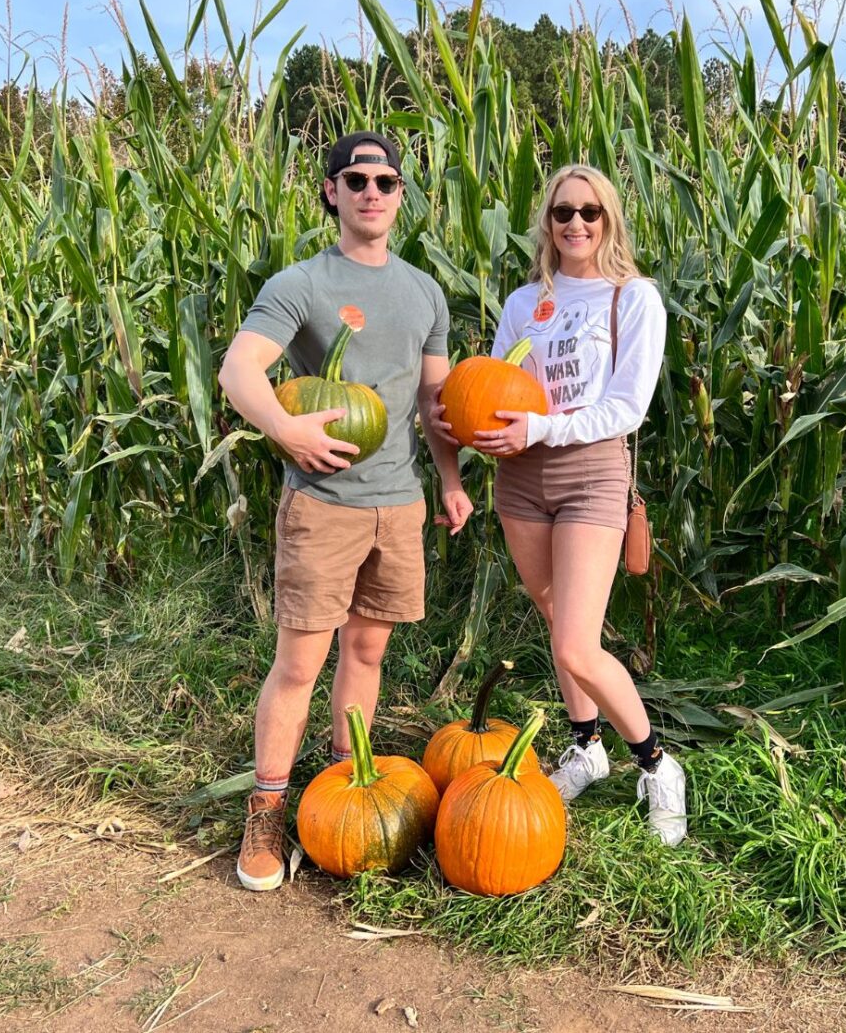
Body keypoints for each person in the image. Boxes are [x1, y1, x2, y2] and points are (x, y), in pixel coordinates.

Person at [219, 131, 472, 891]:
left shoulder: (425, 291)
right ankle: (265, 809)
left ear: (401, 194)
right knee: (299, 663)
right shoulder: (302, 283)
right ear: (330, 190)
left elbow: (434, 401)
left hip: (397, 505)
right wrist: (286, 428)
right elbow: (240, 367)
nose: (371, 191)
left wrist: (452, 481)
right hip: (322, 509)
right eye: (355, 178)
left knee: (366, 654)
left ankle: (341, 789)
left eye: (386, 180)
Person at [433, 164, 686, 846]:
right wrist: (463, 418)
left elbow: (627, 405)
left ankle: (657, 763)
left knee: (577, 640)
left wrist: (542, 427)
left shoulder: (633, 298)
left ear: (609, 219)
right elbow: (496, 382)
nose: (575, 223)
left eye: (590, 212)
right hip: (519, 474)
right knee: (554, 617)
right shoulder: (526, 302)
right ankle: (585, 746)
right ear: (546, 222)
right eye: (562, 212)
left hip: (590, 470)